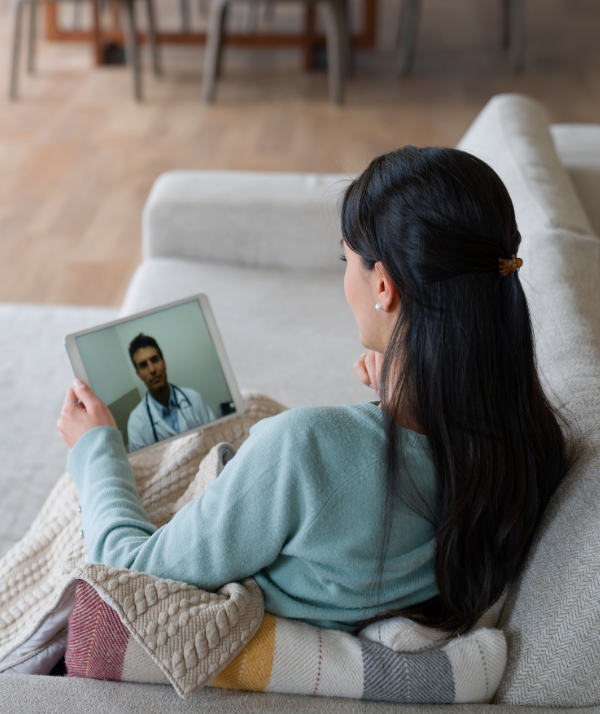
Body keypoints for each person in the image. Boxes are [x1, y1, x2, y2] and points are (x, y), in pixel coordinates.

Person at [58, 146, 574, 635]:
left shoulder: (304, 449)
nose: (345, 277)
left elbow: (128, 574)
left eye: (346, 261)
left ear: (383, 287)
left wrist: (95, 449)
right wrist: (405, 395)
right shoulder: (530, 443)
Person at [126, 333, 216, 452]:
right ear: (138, 374)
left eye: (155, 360)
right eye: (143, 365)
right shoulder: (136, 423)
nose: (152, 369)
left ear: (164, 362)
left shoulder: (193, 398)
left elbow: (216, 435)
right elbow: (144, 468)